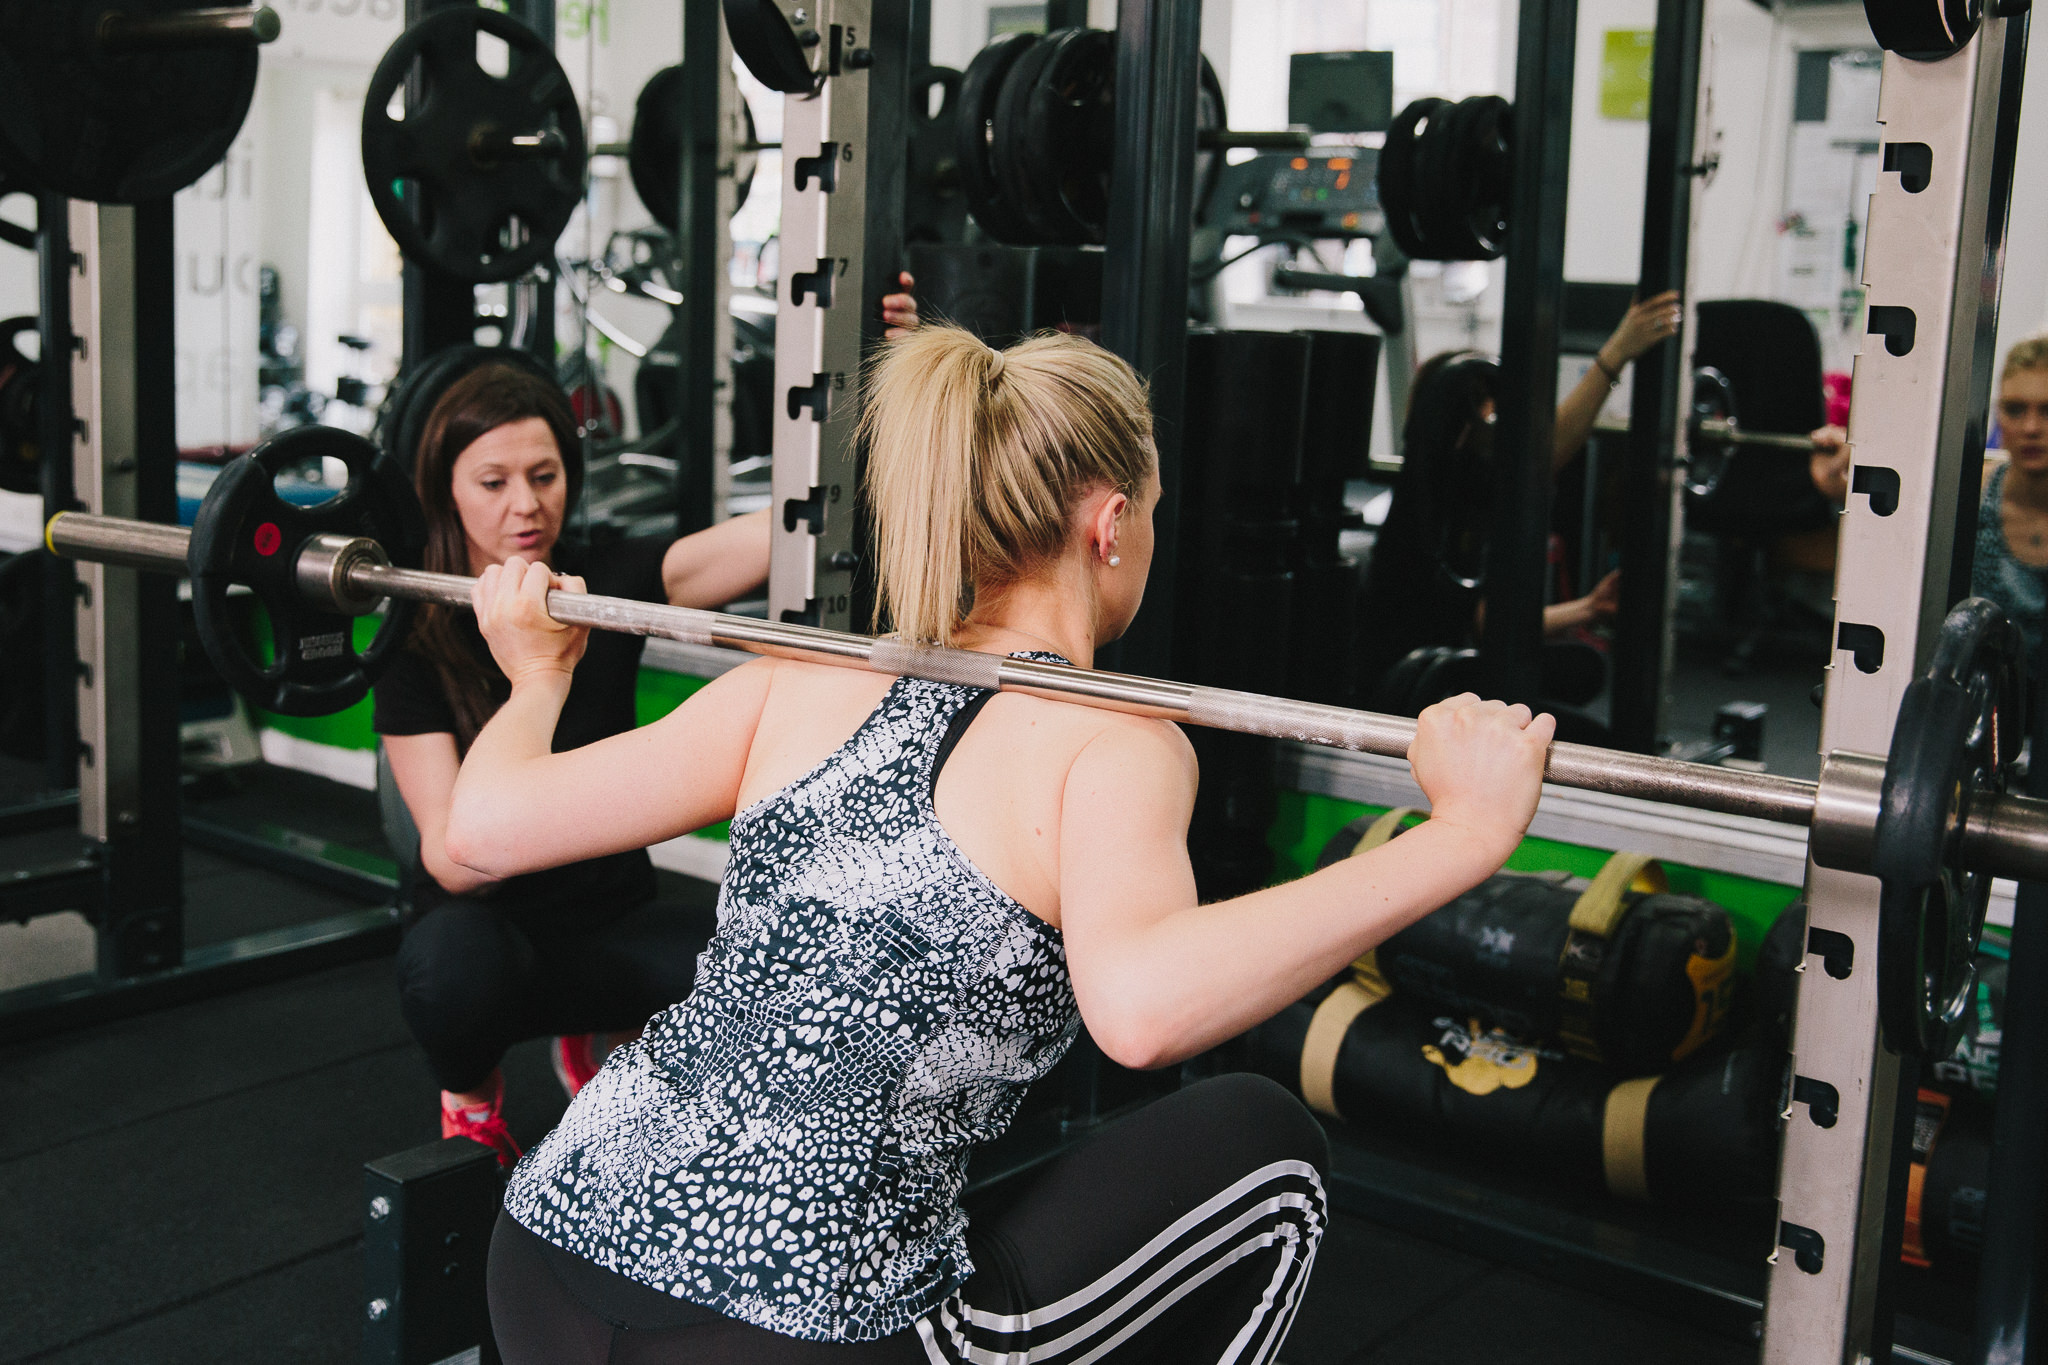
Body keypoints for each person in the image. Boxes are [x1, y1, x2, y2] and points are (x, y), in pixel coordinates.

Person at [441, 324, 1555, 1361]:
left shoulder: (806, 677)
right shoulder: (1115, 740)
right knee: (1269, 1154)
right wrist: (1458, 834)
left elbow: (481, 828)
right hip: (780, 1335)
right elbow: (1143, 1012)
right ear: (1109, 524)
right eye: (1153, 511)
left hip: (542, 1260)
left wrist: (536, 676)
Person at [372, 274, 923, 1165]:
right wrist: (534, 667)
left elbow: (794, 528)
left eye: (545, 476)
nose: (526, 505)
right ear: (446, 493)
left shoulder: (606, 582)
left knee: (769, 960)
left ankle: (598, 1035)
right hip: (489, 939)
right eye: (495, 481)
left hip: (610, 925)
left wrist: (884, 382)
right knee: (449, 975)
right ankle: (470, 1095)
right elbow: (450, 855)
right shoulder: (417, 638)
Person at [1354, 290, 1682, 706]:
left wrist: (1588, 608)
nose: (1505, 433)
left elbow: (1482, 619)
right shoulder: (1438, 504)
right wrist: (1615, 354)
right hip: (1416, 693)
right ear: (1462, 426)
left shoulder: (1451, 499)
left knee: (1583, 674)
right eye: (1493, 416)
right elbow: (1543, 455)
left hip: (1446, 676)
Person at [1811, 334, 2048, 669]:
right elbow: (1874, 493)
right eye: (2015, 409)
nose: (2031, 427)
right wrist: (1844, 465)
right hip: (1980, 695)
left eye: (2047, 411)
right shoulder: (1970, 489)